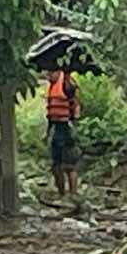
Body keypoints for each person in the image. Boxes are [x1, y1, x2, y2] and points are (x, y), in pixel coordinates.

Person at [45, 67, 82, 200]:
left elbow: (75, 104)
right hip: (56, 128)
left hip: (66, 128)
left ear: (57, 72)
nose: (48, 76)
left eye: (50, 72)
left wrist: (73, 123)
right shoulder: (52, 86)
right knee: (56, 165)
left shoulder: (67, 84)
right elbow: (50, 115)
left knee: (70, 165)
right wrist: (47, 133)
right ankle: (61, 194)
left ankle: (73, 195)